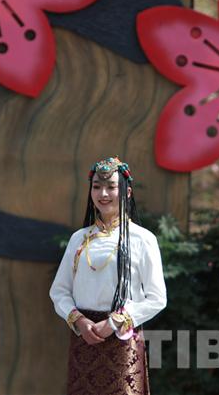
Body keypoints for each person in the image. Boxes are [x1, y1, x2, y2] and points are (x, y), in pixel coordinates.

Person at [50, 157, 167, 395]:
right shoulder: (78, 239)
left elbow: (157, 298)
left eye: (111, 187)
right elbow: (59, 291)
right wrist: (80, 322)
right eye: (96, 187)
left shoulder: (143, 239)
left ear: (127, 191)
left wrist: (113, 322)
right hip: (85, 336)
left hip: (122, 339)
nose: (103, 193)